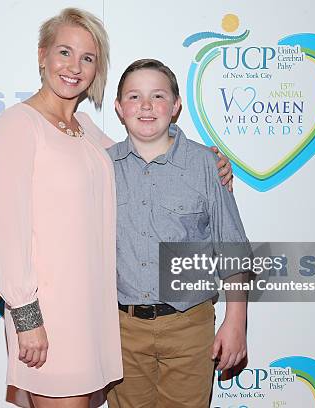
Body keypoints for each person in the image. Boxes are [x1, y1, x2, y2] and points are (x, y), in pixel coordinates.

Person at [0, 9, 233, 407]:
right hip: (48, 317)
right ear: (42, 55)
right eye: (65, 52)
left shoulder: (86, 132)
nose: (74, 67)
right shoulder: (19, 125)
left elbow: (145, 153)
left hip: (95, 319)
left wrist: (210, 161)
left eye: (88, 58)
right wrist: (27, 320)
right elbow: (5, 232)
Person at [106, 59, 250, 408]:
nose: (145, 106)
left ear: (176, 106)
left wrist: (236, 322)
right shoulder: (102, 166)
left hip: (190, 326)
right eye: (134, 96)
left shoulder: (205, 164)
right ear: (119, 108)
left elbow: (232, 249)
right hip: (122, 330)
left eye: (157, 96)